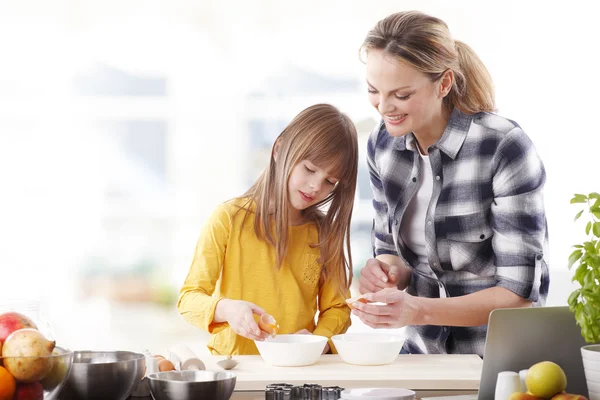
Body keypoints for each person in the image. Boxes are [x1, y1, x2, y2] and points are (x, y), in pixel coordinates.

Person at [350, 11, 549, 357]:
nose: (384, 107)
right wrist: (383, 273)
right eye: (373, 91)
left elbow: (518, 296)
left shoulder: (502, 146)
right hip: (423, 359)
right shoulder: (382, 146)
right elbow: (393, 253)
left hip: (500, 363)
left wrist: (417, 309)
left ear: (443, 84)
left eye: (401, 94)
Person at [178, 104, 358, 355]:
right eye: (309, 169)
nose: (316, 186)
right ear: (279, 149)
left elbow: (338, 308)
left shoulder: (323, 234)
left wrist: (318, 340)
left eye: (330, 181)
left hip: (298, 372)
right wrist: (228, 309)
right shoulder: (228, 219)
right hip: (237, 370)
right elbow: (189, 299)